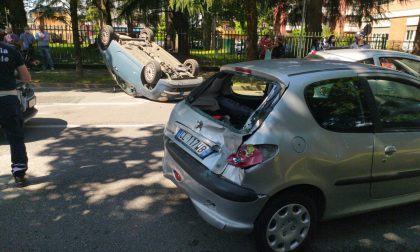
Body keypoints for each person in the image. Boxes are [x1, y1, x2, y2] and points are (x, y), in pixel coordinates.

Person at [0, 29, 32, 187]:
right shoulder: (11, 50)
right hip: (8, 99)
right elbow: (26, 78)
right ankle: (19, 174)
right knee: (15, 137)